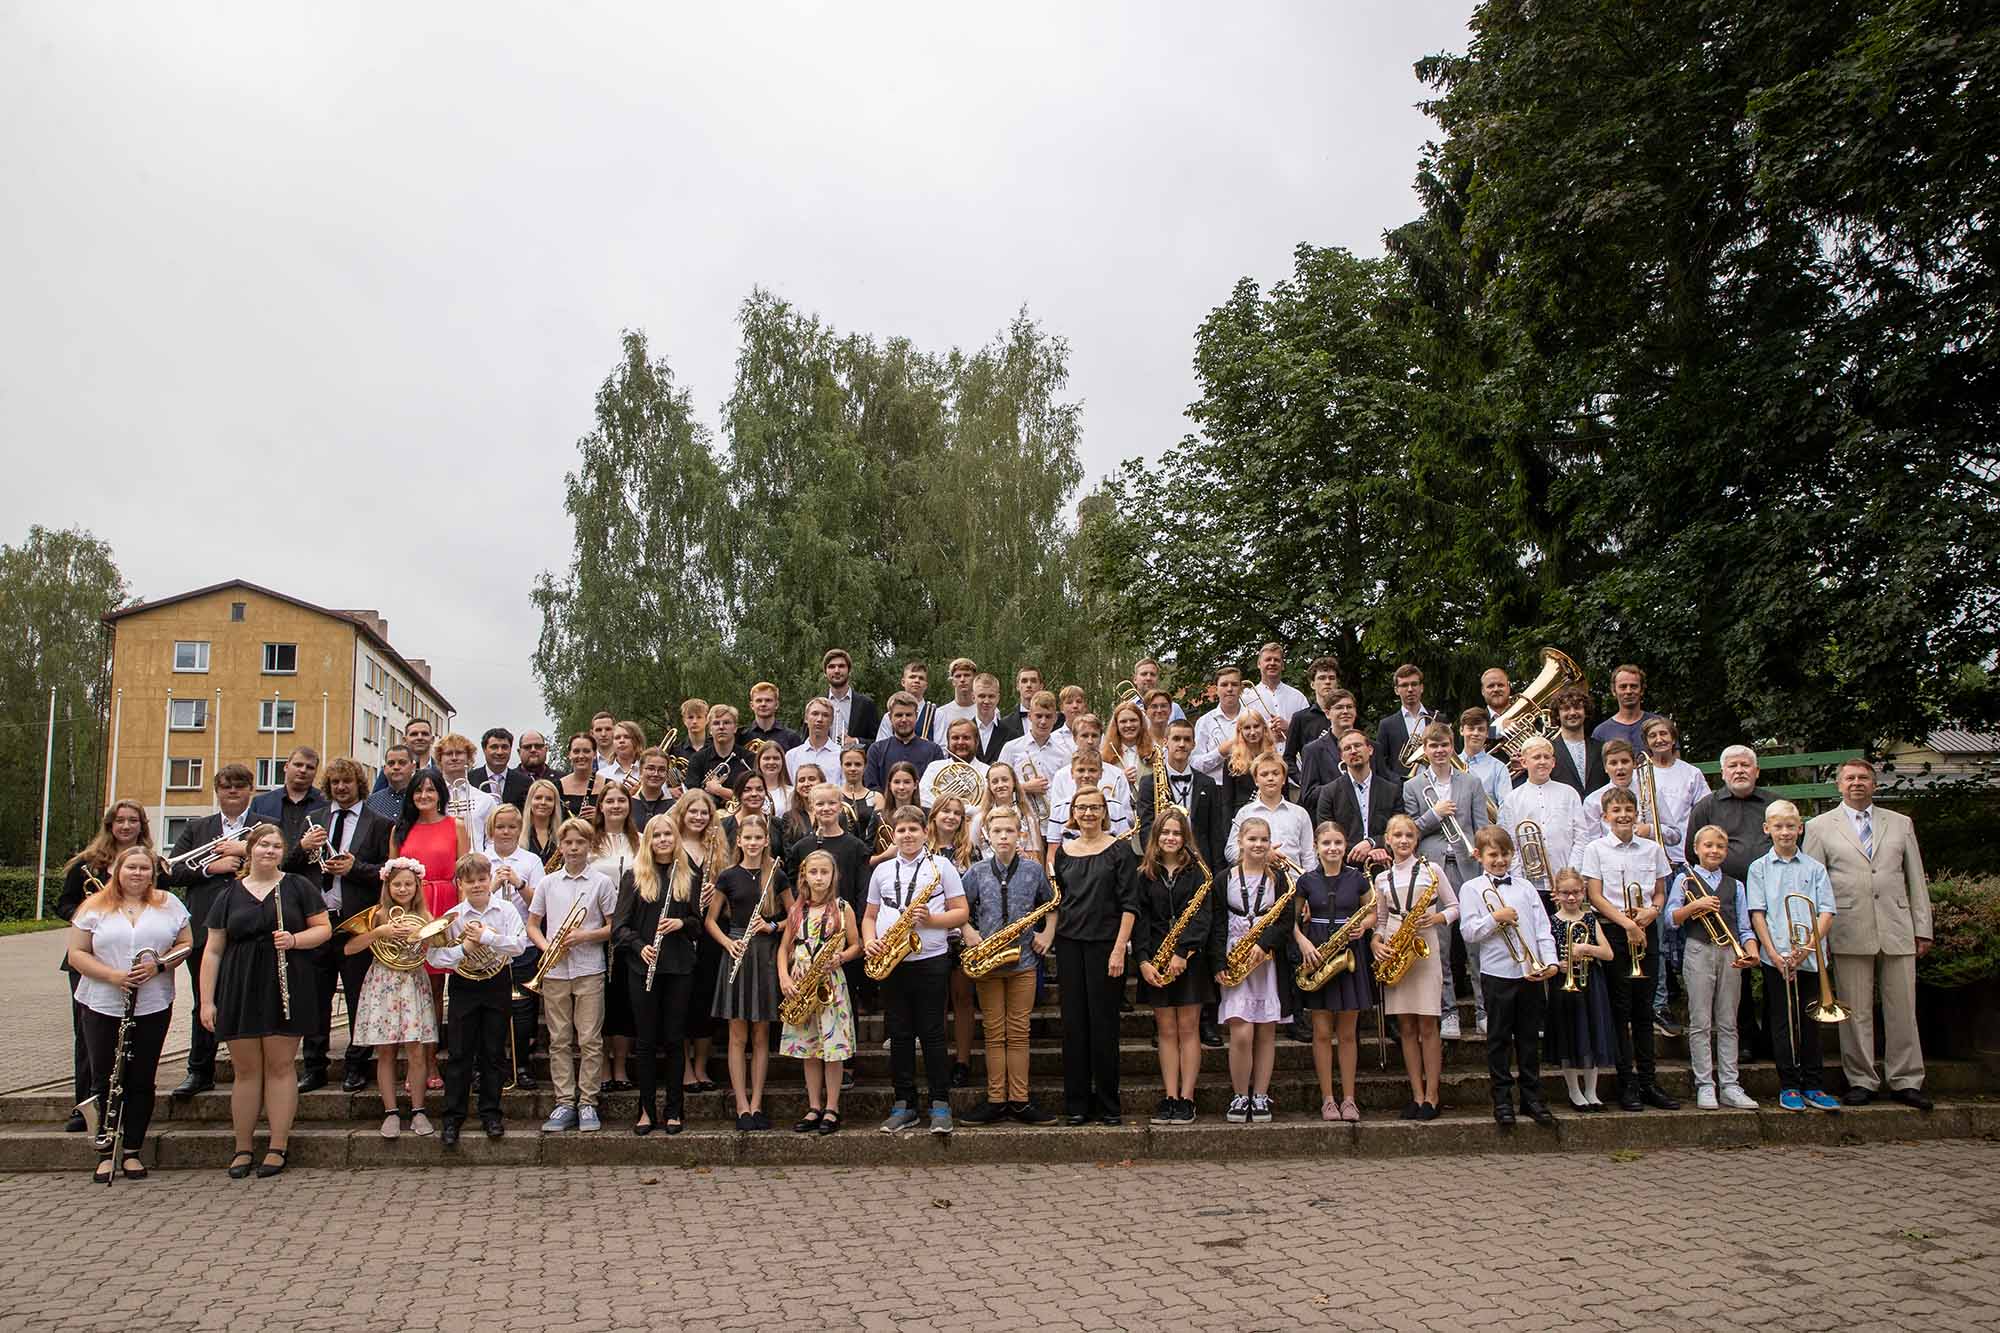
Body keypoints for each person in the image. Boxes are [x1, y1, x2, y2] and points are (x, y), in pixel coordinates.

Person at [197, 822, 331, 1178]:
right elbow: (212, 951)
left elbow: (323, 929)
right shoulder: (228, 894)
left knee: (280, 1067)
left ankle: (277, 1145)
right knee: (245, 1071)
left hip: (285, 982)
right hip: (240, 984)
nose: (269, 851)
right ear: (250, 849)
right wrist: (207, 1001)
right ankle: (242, 1148)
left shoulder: (298, 886)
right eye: (262, 845)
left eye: (275, 846)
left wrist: (295, 940)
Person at [1804, 759, 1934, 1110]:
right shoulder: (1817, 827)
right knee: (1856, 1011)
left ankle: (1906, 1080)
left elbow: (1915, 879)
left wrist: (1923, 928)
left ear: (1874, 784)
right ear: (1838, 785)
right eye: (1850, 778)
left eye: (1863, 778)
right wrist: (1817, 937)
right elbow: (1813, 884)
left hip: (1896, 926)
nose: (1857, 783)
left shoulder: (1900, 823)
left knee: (1902, 1008)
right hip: (1847, 927)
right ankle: (1861, 1080)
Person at [67, 844, 192, 1181]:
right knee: (104, 1074)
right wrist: (113, 976)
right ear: (116, 871)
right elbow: (77, 953)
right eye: (131, 868)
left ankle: (133, 1150)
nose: (138, 874)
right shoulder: (93, 907)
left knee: (141, 1077)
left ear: (153, 873)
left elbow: (186, 944)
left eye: (145, 868)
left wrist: (158, 966)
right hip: (102, 1003)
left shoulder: (169, 904)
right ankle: (105, 1149)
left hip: (152, 1003)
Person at [864, 804, 968, 1135]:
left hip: (931, 959)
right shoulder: (881, 871)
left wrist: (932, 920)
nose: (907, 835)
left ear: (925, 832)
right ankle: (904, 1104)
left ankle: (940, 1103)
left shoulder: (942, 867)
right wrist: (869, 942)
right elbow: (869, 916)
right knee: (900, 1035)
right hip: (892, 961)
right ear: (893, 836)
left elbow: (961, 913)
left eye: (913, 829)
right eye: (901, 830)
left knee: (934, 1034)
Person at [58, 799, 160, 1125]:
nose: (126, 827)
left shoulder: (151, 863)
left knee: (134, 1036)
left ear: (141, 826)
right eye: (120, 821)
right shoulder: (88, 865)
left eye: (133, 821)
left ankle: (125, 1105)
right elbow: (64, 904)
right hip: (91, 958)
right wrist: (95, 915)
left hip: (138, 962)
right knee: (90, 1037)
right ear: (110, 826)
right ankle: (86, 1107)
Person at [1578, 787, 1679, 1112]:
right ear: (1605, 817)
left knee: (1644, 1012)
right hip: (1615, 934)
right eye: (1616, 810)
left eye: (1628, 810)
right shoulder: (1595, 849)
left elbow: (1660, 892)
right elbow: (1595, 896)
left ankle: (1649, 1082)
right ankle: (1627, 1083)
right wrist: (1628, 924)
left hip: (1645, 932)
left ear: (1637, 815)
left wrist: (1652, 912)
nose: (1623, 815)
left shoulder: (1652, 849)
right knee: (1620, 1011)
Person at [1457, 826, 1561, 1126]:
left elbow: (1542, 928)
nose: (1499, 860)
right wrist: (1494, 918)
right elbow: (1468, 931)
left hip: (1529, 973)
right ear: (1479, 856)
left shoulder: (1526, 887)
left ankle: (1532, 1098)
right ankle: (1502, 1101)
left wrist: (1550, 963)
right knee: (1498, 1039)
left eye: (1504, 854)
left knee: (1529, 1039)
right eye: (1493, 855)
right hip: (1497, 974)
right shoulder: (1472, 888)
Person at [957, 808, 1056, 1125]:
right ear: (986, 834)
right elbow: (959, 908)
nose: (1003, 836)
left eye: (1009, 831)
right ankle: (996, 1099)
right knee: (993, 1033)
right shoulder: (975, 872)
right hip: (988, 963)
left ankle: (1020, 1099)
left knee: (1018, 1033)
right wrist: (968, 930)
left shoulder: (1033, 871)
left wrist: (1048, 932)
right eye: (997, 831)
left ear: (1020, 834)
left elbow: (1052, 905)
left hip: (1024, 961)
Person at [1747, 801, 1841, 1113]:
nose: (1785, 832)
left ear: (1800, 828)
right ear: (1767, 829)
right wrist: (1772, 953)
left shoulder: (1815, 868)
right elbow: (1757, 914)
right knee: (1782, 1022)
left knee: (1811, 1022)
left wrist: (1808, 948)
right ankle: (1788, 1085)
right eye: (1778, 826)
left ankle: (1813, 1084)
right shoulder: (1758, 868)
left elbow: (1826, 912)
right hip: (1776, 958)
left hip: (1810, 958)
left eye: (1791, 826)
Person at [1050, 788, 1137, 1126]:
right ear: (1073, 811)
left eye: (1095, 808)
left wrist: (1119, 949)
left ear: (1105, 812)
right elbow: (1061, 901)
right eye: (1081, 807)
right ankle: (1076, 1104)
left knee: (1104, 1027)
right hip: (1071, 945)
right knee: (1074, 1026)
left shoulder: (1120, 851)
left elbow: (1130, 905)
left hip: (1106, 946)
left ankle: (1108, 1105)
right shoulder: (1064, 853)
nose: (1088, 813)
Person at [299, 757, 385, 1094]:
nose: (341, 788)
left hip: (355, 923)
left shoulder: (378, 822)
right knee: (315, 998)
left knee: (357, 997)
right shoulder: (315, 819)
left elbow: (384, 873)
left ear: (359, 784)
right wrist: (303, 847)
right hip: (319, 920)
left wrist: (354, 867)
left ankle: (356, 1064)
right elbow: (293, 865)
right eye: (335, 783)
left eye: (347, 782)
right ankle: (314, 1066)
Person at [428, 853, 527, 1146]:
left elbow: (519, 945)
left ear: (490, 879)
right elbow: (435, 955)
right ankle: (452, 1118)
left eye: (482, 879)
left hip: (497, 983)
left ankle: (491, 1114)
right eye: (469, 881)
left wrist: (488, 937)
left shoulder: (506, 910)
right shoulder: (454, 916)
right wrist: (465, 949)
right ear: (460, 884)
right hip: (464, 985)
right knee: (459, 1054)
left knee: (493, 1053)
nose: (477, 886)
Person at [169, 764, 255, 1101]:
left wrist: (244, 850)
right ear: (217, 791)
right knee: (204, 1000)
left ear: (251, 790)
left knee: (248, 1000)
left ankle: (247, 1072)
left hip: (250, 924)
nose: (232, 791)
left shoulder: (263, 827)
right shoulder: (198, 828)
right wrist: (210, 867)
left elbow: (282, 859)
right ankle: (199, 1070)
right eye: (225, 786)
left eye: (239, 786)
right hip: (206, 925)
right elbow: (172, 871)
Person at [530, 817, 619, 1133]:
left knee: (591, 1039)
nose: (573, 848)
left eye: (579, 842)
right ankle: (564, 1101)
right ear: (561, 845)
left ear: (588, 845)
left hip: (589, 968)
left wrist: (584, 936)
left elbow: (613, 928)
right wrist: (547, 946)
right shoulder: (547, 882)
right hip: (555, 971)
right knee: (559, 1039)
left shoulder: (601, 883)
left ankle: (588, 1103)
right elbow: (532, 924)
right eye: (567, 842)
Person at [613, 814, 699, 1135]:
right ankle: (646, 1110)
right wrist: (639, 947)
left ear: (675, 838)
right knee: (646, 1041)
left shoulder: (687, 873)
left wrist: (682, 924)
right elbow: (618, 928)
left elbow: (698, 924)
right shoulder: (634, 876)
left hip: (679, 967)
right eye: (657, 835)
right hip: (643, 967)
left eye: (668, 834)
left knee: (675, 1040)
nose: (663, 840)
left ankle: (674, 1110)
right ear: (648, 840)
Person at [1404, 722, 1489, 1038]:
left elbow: (1481, 826)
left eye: (1444, 745)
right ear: (1425, 751)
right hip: (1434, 870)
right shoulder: (1412, 786)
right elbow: (1410, 830)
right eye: (1432, 746)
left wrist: (1482, 852)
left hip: (1467, 867)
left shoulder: (1471, 782)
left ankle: (1483, 1011)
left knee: (1475, 945)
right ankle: (1448, 1011)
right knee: (1439, 945)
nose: (1439, 751)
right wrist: (1435, 813)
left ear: (1452, 746)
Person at [1667, 825, 1761, 1110]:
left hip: (1730, 953)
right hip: (1698, 951)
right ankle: (1705, 1084)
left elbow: (1744, 927)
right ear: (1696, 849)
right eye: (1707, 846)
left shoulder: (1736, 885)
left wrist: (1752, 951)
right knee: (1700, 1022)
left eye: (1719, 847)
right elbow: (1671, 919)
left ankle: (1731, 1085)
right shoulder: (1685, 880)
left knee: (1728, 1021)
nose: (1714, 851)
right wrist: (1696, 907)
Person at [707, 812, 791, 1131]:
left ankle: (757, 1103)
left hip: (765, 954)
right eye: (748, 838)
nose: (753, 843)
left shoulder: (777, 875)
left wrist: (771, 925)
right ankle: (741, 1105)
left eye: (759, 838)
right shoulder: (728, 876)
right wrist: (728, 942)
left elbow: (793, 917)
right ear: (738, 841)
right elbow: (711, 921)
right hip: (737, 951)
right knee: (737, 1034)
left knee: (760, 1034)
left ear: (766, 841)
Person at [344, 857, 438, 1137]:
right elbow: (349, 949)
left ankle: (419, 1111)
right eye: (397, 884)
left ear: (416, 886)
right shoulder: (377, 915)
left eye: (409, 884)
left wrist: (421, 934)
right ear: (388, 886)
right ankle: (391, 1112)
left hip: (412, 983)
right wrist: (380, 932)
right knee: (385, 1051)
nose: (403, 888)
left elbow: (438, 946)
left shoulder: (424, 916)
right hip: (383, 982)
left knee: (416, 1050)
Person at [1372, 814, 1456, 1120]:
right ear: (1388, 840)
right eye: (1398, 835)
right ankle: (1416, 1094)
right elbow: (1380, 920)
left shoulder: (1431, 870)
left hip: (1424, 946)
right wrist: (1376, 942)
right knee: (1406, 1027)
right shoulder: (1382, 878)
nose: (1404, 840)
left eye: (1409, 835)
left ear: (1416, 839)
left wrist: (1435, 919)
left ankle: (1433, 1095)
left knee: (1428, 1025)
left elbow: (1454, 906)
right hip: (1396, 948)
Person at [1134, 807, 1214, 1125]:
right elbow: (1138, 920)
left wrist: (1184, 951)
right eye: (1165, 832)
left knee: (1188, 1029)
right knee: (1166, 1031)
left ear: (1185, 838)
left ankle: (1187, 1098)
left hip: (1189, 960)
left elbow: (1203, 916)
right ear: (1156, 836)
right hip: (1155, 958)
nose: (1170, 837)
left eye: (1177, 833)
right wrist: (1142, 960)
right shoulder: (1144, 873)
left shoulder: (1199, 873)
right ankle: (1169, 1095)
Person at [1293, 821, 1376, 1124]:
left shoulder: (1358, 879)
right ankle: (1328, 1099)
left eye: (1338, 843)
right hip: (1318, 955)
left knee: (1348, 1034)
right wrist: (1302, 942)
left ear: (1345, 845)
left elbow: (1373, 912)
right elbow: (1291, 920)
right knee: (1322, 1033)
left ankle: (1349, 1099)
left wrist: (1363, 927)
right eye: (1326, 843)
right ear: (1316, 846)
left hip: (1349, 954)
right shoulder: (1305, 880)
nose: (1332, 848)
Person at [390, 768, 467, 1081]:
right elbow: (390, 877)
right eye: (418, 790)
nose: (424, 796)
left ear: (440, 794)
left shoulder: (455, 825)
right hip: (410, 910)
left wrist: (459, 916)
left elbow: (463, 874)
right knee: (410, 989)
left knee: (436, 989)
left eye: (430, 790)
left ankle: (432, 1060)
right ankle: (413, 1061)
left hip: (445, 906)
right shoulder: (400, 830)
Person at [777, 849, 861, 1134]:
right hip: (801, 986)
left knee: (832, 1051)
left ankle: (832, 1108)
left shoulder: (842, 907)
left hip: (830, 986)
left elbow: (856, 944)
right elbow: (783, 949)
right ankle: (814, 1106)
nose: (819, 877)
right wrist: (784, 977)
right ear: (804, 876)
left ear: (833, 875)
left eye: (825, 872)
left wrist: (842, 958)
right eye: (813, 872)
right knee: (809, 1052)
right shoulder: (797, 910)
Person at [1216, 817, 1291, 1123]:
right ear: (1241, 842)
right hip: (1235, 957)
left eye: (1264, 840)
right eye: (1252, 839)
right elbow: (1216, 922)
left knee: (1265, 1031)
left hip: (1266, 961)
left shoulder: (1279, 879)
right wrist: (1218, 962)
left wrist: (1265, 944)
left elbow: (1286, 920)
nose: (1258, 845)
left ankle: (1260, 1096)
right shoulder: (1225, 878)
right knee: (1242, 1032)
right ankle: (1239, 1094)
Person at [670, 790, 729, 1096]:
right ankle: (685, 1068)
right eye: (692, 811)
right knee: (681, 1001)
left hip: (710, 933)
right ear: (682, 813)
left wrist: (715, 893)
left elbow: (731, 890)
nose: (698, 817)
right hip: (679, 931)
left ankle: (702, 1065)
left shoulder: (717, 848)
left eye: (704, 813)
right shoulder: (672, 844)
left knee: (704, 1000)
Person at [1544, 868, 1616, 1111]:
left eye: (1576, 892)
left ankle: (1591, 1091)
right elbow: (1546, 954)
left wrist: (1586, 949)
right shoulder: (1551, 921)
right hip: (1563, 985)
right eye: (1565, 893)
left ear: (1583, 892)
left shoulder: (1589, 919)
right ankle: (1574, 1091)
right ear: (1556, 894)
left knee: (1592, 1032)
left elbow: (1608, 954)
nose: (1572, 898)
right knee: (1569, 1035)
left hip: (1590, 984)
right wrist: (1558, 964)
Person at [588, 783, 642, 1092]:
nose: (616, 805)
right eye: (610, 801)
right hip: (597, 927)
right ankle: (603, 1065)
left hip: (630, 929)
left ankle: (620, 1066)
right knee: (600, 1003)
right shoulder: (590, 840)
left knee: (623, 1001)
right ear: (601, 806)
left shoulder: (640, 841)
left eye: (622, 800)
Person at [1497, 735, 1585, 893]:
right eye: (1536, 757)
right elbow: (1511, 843)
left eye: (1547, 757)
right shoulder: (1512, 798)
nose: (1542, 761)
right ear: (1524, 762)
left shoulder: (1569, 793)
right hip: (1529, 883)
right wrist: (1520, 881)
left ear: (1553, 762)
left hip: (1565, 880)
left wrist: (1570, 874)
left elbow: (1580, 837)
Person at [1312, 728, 1400, 875]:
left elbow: (1399, 830)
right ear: (1341, 756)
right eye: (1347, 748)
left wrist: (1373, 843)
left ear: (1370, 750)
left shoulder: (1391, 790)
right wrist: (1358, 850)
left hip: (1385, 867)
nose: (1353, 751)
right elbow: (1325, 835)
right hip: (1343, 870)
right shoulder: (1328, 792)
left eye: (1358, 745)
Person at [998, 690, 1073, 830]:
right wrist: (1024, 787)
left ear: (1055, 718)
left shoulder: (1064, 754)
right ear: (1030, 716)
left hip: (1053, 825)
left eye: (1048, 716)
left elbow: (1068, 791)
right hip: (1019, 823)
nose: (1043, 721)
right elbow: (996, 785)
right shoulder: (1011, 748)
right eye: (1038, 716)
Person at [1225, 752, 1312, 872]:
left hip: (1294, 883)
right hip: (1255, 882)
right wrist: (1261, 855)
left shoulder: (1300, 814)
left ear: (1284, 779)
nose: (1270, 778)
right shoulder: (1245, 813)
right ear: (1256, 780)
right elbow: (1230, 851)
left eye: (1276, 773)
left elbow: (1308, 856)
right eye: (1264, 774)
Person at [249, 747, 330, 858]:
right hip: (270, 870)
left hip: (311, 872)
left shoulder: (327, 803)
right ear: (286, 766)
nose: (303, 770)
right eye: (298, 765)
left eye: (310, 767)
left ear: (316, 772)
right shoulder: (260, 803)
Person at [864, 691, 946, 791]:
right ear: (890, 718)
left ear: (916, 716)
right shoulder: (876, 750)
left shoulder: (934, 751)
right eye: (899, 715)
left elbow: (938, 788)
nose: (904, 719)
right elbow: (871, 786)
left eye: (908, 715)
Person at [433, 733, 497, 854]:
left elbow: (492, 841)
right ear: (440, 760)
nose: (454, 758)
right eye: (448, 753)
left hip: (475, 867)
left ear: (469, 758)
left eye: (459, 753)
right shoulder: (431, 798)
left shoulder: (485, 800)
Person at [969, 761, 1044, 863]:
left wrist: (1024, 856)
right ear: (989, 786)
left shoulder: (1027, 818)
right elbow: (974, 855)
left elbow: (1036, 860)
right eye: (995, 781)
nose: (1000, 785)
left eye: (1005, 780)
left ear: (1014, 783)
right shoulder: (980, 820)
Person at [1242, 642, 1308, 757]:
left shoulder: (1298, 697)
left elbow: (1310, 733)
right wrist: (1266, 734)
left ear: (1282, 665)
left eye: (1276, 660)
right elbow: (1239, 737)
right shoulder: (1247, 698)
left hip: (1296, 767)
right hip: (1262, 766)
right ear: (1259, 664)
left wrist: (1290, 729)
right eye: (1268, 659)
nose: (1272, 663)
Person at [1373, 664, 1434, 785]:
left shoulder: (1437, 719)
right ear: (1396, 690)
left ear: (1421, 687)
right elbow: (1380, 763)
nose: (1410, 689)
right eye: (1404, 685)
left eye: (1414, 684)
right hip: (1402, 788)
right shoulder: (1387, 725)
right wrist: (1398, 781)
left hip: (1437, 783)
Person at [919, 718, 990, 811]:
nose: (960, 742)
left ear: (976, 742)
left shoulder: (987, 771)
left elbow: (986, 807)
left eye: (966, 738)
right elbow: (923, 799)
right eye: (955, 738)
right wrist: (967, 810)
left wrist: (944, 806)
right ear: (948, 742)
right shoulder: (934, 767)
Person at [1284, 657, 1347, 760]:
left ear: (1337, 683)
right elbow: (1288, 759)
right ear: (1312, 684)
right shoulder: (1300, 718)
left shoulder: (1347, 714)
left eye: (1331, 678)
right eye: (1322, 678)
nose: (1327, 682)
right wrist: (1304, 776)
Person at [1547, 686, 1605, 796]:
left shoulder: (1601, 748)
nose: (1572, 713)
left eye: (1577, 707)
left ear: (1585, 712)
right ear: (1558, 715)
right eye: (1566, 708)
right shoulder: (1548, 750)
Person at [1590, 664, 1663, 751]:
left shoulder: (1660, 725)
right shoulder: (1600, 732)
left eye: (1633, 686)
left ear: (1642, 690)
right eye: (1623, 687)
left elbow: (1675, 763)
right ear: (1614, 691)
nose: (1628, 691)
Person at [1192, 666, 1247, 778]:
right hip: (1216, 788)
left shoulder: (1253, 718)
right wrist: (1220, 753)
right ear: (1216, 689)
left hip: (1249, 786)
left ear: (1241, 688)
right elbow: (1194, 765)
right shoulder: (1204, 722)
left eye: (1234, 684)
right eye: (1224, 685)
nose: (1229, 689)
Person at [691, 706, 754, 802]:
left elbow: (753, 796)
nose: (721, 727)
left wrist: (718, 790)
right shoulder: (697, 759)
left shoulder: (749, 758)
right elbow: (690, 797)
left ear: (735, 728)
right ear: (710, 730)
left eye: (726, 723)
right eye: (716, 723)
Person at [820, 647, 880, 747]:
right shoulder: (816, 705)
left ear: (849, 671)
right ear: (825, 673)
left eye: (841, 666)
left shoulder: (866, 705)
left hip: (854, 761)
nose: (836, 671)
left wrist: (856, 741)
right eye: (831, 667)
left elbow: (878, 742)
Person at [1457, 710, 1509, 822]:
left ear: (1487, 733)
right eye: (1471, 728)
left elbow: (1506, 807)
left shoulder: (1498, 768)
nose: (1475, 733)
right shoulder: (1449, 766)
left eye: (1481, 729)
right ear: (1461, 730)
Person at [471, 727, 532, 809]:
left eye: (504, 747)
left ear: (510, 749)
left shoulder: (525, 782)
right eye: (494, 747)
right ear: (484, 749)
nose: (500, 752)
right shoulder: (470, 780)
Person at [1101, 699, 1154, 794]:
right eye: (1123, 721)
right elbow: (1102, 789)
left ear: (1141, 723)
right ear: (1116, 725)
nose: (1128, 725)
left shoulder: (1154, 753)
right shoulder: (1104, 757)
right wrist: (1121, 779)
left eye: (1133, 720)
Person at [787, 698, 844, 785]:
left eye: (825, 715)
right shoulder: (792, 756)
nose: (819, 719)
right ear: (806, 718)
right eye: (815, 714)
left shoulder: (841, 755)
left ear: (832, 721)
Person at [875, 662, 937, 742]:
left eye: (921, 678)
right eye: (912, 677)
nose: (917, 680)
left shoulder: (936, 714)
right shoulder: (888, 716)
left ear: (926, 685)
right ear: (903, 682)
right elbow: (881, 747)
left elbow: (942, 748)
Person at [556, 734, 607, 821]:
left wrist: (600, 817)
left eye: (586, 751)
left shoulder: (608, 785)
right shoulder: (556, 787)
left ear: (594, 754)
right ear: (569, 755)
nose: (581, 756)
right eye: (576, 751)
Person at [930, 657, 980, 745]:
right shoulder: (941, 713)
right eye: (958, 676)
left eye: (967, 675)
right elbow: (940, 746)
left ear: (974, 679)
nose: (962, 679)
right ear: (953, 681)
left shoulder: (987, 710)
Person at [744, 682, 804, 754]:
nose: (763, 704)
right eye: (759, 700)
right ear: (752, 705)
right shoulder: (742, 736)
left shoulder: (791, 738)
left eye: (768, 700)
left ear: (776, 704)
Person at [629, 747, 679, 831]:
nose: (656, 774)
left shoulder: (674, 807)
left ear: (667, 775)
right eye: (650, 768)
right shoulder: (628, 805)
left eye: (662, 770)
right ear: (640, 771)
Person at [363, 744, 418, 822]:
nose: (396, 767)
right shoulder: (371, 802)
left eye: (402, 763)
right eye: (391, 763)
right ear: (385, 769)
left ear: (413, 767)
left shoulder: (420, 799)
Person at [521, 778, 565, 868]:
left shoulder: (563, 835)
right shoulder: (517, 833)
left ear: (555, 804)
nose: (543, 802)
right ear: (530, 801)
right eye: (538, 798)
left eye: (549, 799)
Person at [969, 672, 1011, 763]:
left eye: (991, 696)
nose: (986, 701)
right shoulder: (964, 733)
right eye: (982, 696)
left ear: (998, 698)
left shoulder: (1011, 734)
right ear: (973, 697)